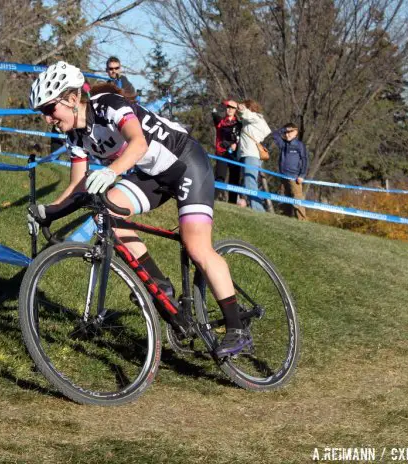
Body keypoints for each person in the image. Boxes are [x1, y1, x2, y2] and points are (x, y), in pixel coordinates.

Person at [27, 61, 249, 356]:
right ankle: (160, 286)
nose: (46, 119)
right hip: (150, 174)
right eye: (41, 112)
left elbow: (139, 143)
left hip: (185, 163)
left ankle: (237, 329)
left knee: (197, 246)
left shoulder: (108, 105)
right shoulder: (75, 137)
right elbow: (78, 185)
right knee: (106, 213)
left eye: (48, 109)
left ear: (71, 99)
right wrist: (48, 211)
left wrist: (111, 172)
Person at [237, 99, 271, 212]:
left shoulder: (255, 118)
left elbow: (247, 115)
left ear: (250, 108)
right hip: (248, 154)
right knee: (249, 182)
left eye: (245, 106)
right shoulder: (251, 122)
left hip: (251, 154)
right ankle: (252, 205)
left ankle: (258, 209)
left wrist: (242, 110)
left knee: (250, 182)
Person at [273, 123, 309, 220]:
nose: (288, 134)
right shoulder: (283, 144)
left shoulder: (299, 145)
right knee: (285, 199)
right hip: (283, 176)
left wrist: (302, 175)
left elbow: (305, 160)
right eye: (286, 132)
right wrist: (283, 129)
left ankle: (302, 220)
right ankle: (286, 219)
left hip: (295, 177)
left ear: (296, 132)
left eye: (290, 132)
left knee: (297, 200)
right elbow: (275, 135)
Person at [211, 100, 242, 203]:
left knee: (234, 179)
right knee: (220, 177)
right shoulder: (220, 121)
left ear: (236, 110)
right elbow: (214, 110)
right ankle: (212, 199)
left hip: (234, 155)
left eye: (232, 108)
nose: (230, 109)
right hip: (222, 153)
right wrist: (226, 103)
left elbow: (241, 138)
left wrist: (236, 145)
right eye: (228, 107)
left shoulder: (239, 124)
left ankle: (232, 202)